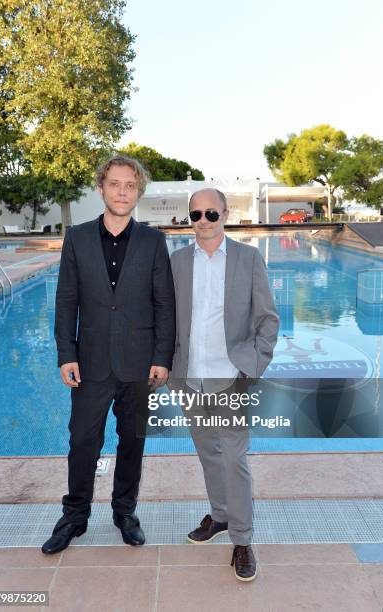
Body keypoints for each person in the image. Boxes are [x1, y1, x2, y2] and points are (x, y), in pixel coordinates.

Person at [42, 155, 175, 554]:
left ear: (139, 192)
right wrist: (67, 353)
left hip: (138, 364)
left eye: (130, 186)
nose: (122, 192)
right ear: (101, 187)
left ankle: (125, 512)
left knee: (132, 442)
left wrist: (162, 357)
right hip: (91, 363)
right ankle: (74, 517)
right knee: (83, 441)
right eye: (115, 184)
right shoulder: (77, 238)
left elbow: (164, 304)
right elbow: (66, 300)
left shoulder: (153, 241)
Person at [170, 188, 279, 581]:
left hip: (231, 377)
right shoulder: (178, 261)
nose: (202, 221)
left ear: (225, 214)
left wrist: (253, 366)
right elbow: (168, 319)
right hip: (189, 377)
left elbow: (267, 318)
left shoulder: (248, 258)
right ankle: (219, 515)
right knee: (208, 453)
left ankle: (242, 539)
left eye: (210, 213)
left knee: (234, 457)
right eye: (195, 214)